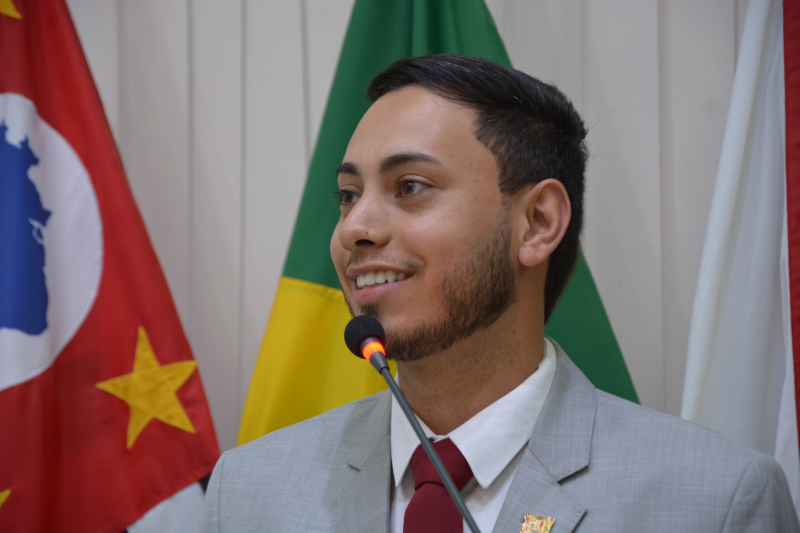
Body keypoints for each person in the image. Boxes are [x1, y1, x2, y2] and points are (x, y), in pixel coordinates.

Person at [198, 55, 799, 533]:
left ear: (537, 223)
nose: (355, 228)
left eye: (410, 186)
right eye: (348, 195)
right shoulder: (247, 491)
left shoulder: (715, 501)